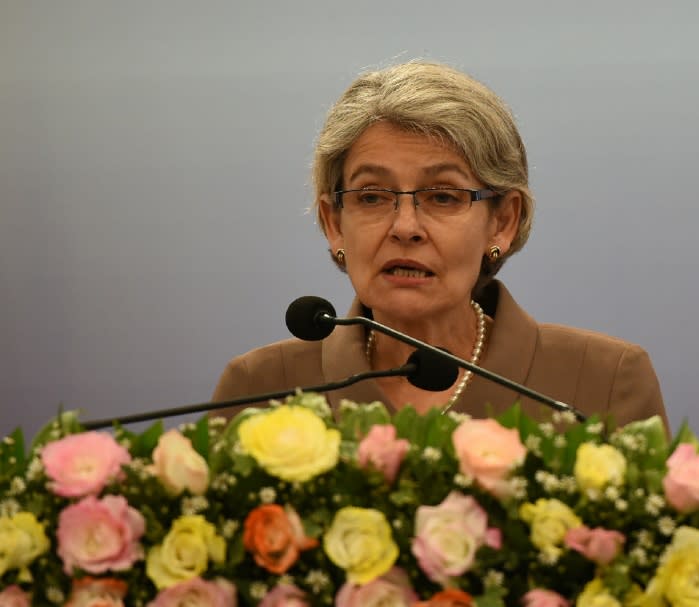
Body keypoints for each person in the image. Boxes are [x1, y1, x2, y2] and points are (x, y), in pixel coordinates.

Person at [211, 60, 668, 429]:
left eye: (443, 197)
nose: (405, 227)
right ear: (334, 224)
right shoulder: (262, 388)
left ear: (502, 222)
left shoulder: (603, 381)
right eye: (372, 196)